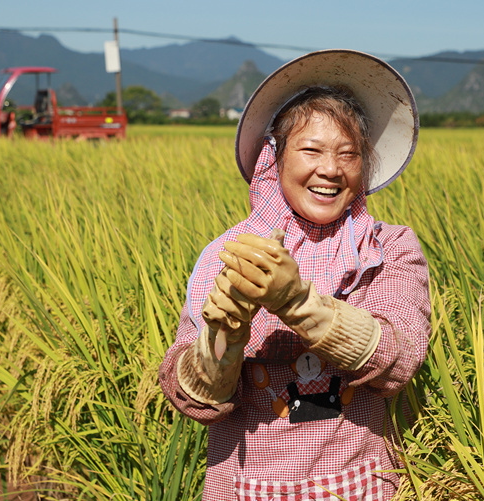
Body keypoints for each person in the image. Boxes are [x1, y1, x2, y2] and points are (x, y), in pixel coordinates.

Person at [159, 49, 431, 500]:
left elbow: (399, 359)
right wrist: (220, 344)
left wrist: (298, 303)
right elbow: (193, 398)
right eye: (311, 150)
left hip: (357, 486)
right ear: (275, 158)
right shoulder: (232, 256)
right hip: (246, 488)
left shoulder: (388, 250)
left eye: (349, 153)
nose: (330, 169)